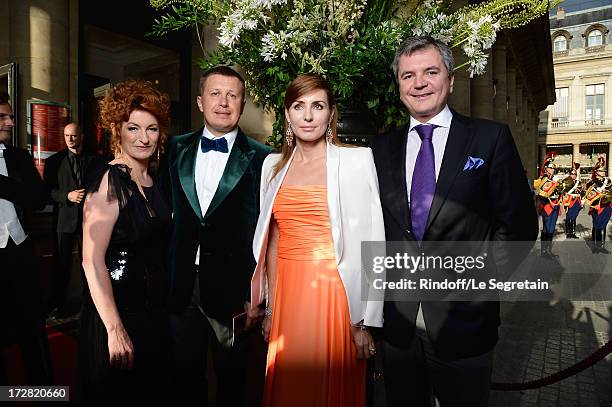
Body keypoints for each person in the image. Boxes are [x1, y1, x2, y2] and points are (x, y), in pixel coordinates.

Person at [370, 37, 538, 406]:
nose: (419, 83)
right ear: (398, 86)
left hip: (465, 324)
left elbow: (519, 226)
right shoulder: (379, 149)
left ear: (451, 79)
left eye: (431, 72)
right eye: (408, 75)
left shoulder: (489, 138)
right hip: (398, 326)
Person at [249, 73, 384, 406]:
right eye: (298, 106)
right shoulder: (271, 167)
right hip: (288, 298)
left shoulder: (356, 161)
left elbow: (374, 241)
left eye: (317, 106)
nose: (307, 116)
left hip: (337, 296)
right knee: (291, 388)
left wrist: (366, 319)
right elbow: (273, 243)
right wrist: (270, 310)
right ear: (287, 114)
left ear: (331, 113)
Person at [164, 66, 271, 406]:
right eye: (215, 93)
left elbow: (268, 233)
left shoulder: (263, 158)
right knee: (183, 377)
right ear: (200, 101)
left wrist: (257, 294)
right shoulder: (174, 148)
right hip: (180, 286)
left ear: (242, 103)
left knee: (232, 380)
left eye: (232, 95)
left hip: (233, 292)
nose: (223, 102)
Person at [79, 80, 171, 405]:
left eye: (152, 129)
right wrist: (115, 329)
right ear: (117, 129)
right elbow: (91, 261)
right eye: (134, 128)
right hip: (117, 315)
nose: (144, 138)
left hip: (150, 316)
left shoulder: (150, 179)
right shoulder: (109, 182)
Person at [0, 91, 52, 385]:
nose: (9, 122)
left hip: (20, 253)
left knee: (33, 329)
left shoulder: (19, 156)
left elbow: (39, 198)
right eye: (2, 117)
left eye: (10, 116)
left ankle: (44, 392)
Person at [43, 122, 102, 317]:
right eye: (67, 135)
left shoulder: (95, 160)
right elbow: (46, 192)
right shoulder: (54, 162)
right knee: (61, 265)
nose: (70, 139)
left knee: (90, 264)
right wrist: (67, 196)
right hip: (64, 221)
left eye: (74, 135)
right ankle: (59, 305)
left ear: (82, 136)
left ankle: (90, 306)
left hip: (89, 221)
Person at [534, 155, 562, 257]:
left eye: (553, 168)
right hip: (547, 205)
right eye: (550, 167)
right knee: (546, 229)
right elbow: (541, 194)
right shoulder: (543, 178)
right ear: (546, 169)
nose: (553, 169)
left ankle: (548, 250)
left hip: (555, 205)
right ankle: (544, 251)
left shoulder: (556, 179)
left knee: (551, 229)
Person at [584, 157, 612, 253]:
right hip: (596, 207)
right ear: (596, 172)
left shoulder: (608, 181)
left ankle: (602, 246)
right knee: (596, 225)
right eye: (601, 170)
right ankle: (595, 246)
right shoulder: (591, 183)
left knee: (604, 226)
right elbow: (589, 196)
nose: (604, 172)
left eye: (604, 170)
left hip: (606, 206)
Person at [561, 163, 582, 239]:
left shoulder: (578, 182)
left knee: (574, 217)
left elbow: (581, 191)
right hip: (569, 200)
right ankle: (568, 233)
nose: (574, 175)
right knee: (569, 216)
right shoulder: (565, 181)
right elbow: (563, 191)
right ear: (569, 174)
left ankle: (573, 232)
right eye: (572, 174)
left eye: (575, 174)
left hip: (576, 201)